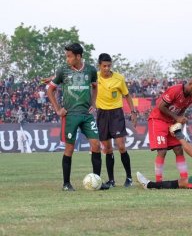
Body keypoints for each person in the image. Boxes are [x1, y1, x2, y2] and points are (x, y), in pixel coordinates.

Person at [47, 43, 109, 191]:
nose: (67, 59)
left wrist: (93, 103)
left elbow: (95, 87)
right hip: (70, 115)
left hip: (86, 115)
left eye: (69, 56)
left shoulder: (91, 70)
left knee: (96, 145)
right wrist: (58, 109)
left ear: (78, 56)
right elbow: (50, 90)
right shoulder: (62, 70)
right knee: (69, 148)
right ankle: (66, 184)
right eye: (66, 56)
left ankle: (97, 181)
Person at [148, 77, 192, 182]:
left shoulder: (191, 98)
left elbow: (181, 111)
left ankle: (184, 178)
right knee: (162, 151)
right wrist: (177, 118)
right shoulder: (176, 90)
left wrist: (179, 121)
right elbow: (161, 106)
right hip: (158, 120)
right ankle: (158, 181)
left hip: (171, 122)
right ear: (190, 84)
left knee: (178, 149)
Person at [96, 53, 137, 187]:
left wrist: (133, 112)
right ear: (99, 66)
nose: (107, 68)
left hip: (116, 114)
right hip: (102, 114)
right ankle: (111, 180)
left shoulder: (119, 78)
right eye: (104, 66)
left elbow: (127, 96)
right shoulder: (94, 77)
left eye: (109, 66)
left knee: (121, 146)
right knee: (107, 149)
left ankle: (129, 178)